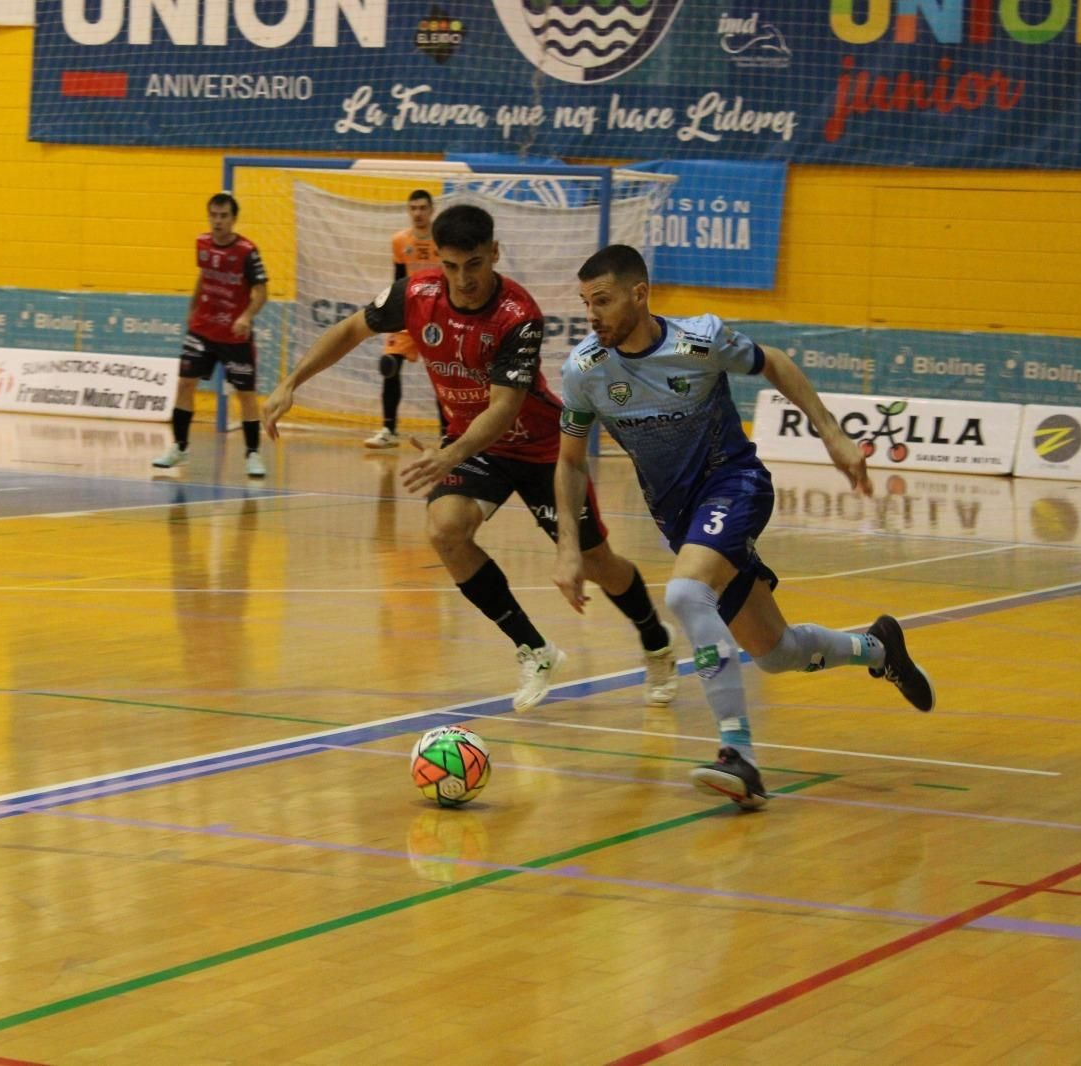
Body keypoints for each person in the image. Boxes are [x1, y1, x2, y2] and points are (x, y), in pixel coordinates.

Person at [553, 244, 936, 810]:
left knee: (685, 593)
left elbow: (774, 361)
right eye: (586, 303)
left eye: (603, 301)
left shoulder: (698, 341)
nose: (592, 315)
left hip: (735, 485)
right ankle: (878, 650)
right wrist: (568, 547)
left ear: (639, 294)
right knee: (775, 652)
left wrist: (831, 432)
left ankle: (739, 755)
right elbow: (569, 462)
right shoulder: (585, 370)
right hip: (680, 519)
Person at [263, 205, 678, 711]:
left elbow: (503, 410)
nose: (464, 279)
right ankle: (536, 649)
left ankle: (655, 639)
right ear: (438, 259)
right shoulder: (415, 294)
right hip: (475, 447)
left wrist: (449, 454)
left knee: (596, 563)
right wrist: (291, 383)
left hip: (539, 450)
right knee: (445, 531)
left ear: (495, 254)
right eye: (453, 267)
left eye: (475, 264)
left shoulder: (518, 315)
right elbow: (351, 330)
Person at [153, 192, 269, 478]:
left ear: (233, 219)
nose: (218, 222)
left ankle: (253, 453)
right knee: (185, 384)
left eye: (223, 216)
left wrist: (245, 317)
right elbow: (204, 275)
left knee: (246, 395)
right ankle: (180, 447)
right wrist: (193, 308)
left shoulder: (247, 251)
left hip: (234, 334)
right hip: (203, 330)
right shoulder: (202, 243)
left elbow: (262, 292)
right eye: (213, 216)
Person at [365, 189, 441, 449]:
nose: (418, 213)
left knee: (444, 374)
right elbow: (398, 279)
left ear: (431, 210)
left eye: (422, 207)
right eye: (413, 208)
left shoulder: (442, 240)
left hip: (438, 317)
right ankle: (389, 429)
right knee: (389, 365)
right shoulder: (400, 240)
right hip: (408, 313)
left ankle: (447, 435)